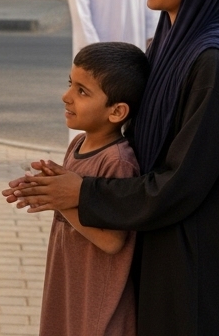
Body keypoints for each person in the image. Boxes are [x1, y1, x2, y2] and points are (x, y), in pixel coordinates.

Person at [8, 0, 219, 336]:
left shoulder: (211, 62)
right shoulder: (169, 45)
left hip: (193, 264)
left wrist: (82, 192)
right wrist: (73, 180)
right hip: (161, 246)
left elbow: (182, 182)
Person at [32, 41, 146, 336]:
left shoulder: (118, 161)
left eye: (82, 91)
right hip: (69, 287)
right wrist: (45, 187)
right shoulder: (77, 144)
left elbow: (112, 241)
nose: (66, 96)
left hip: (98, 304)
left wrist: (59, 200)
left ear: (117, 111)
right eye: (70, 84)